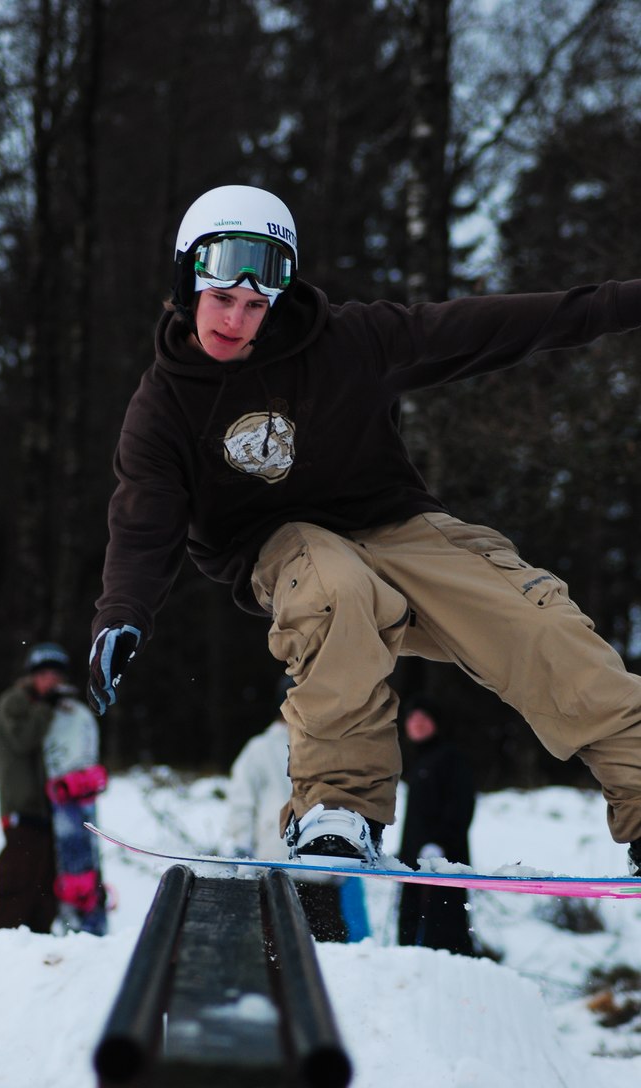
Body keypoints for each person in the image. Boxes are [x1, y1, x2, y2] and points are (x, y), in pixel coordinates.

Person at [87, 183, 641, 877]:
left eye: (256, 305)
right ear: (186, 284)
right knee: (336, 586)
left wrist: (622, 304)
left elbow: (488, 325)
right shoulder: (163, 406)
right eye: (222, 299)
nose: (236, 319)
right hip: (281, 546)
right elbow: (145, 521)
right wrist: (123, 612)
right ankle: (337, 808)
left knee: (531, 617)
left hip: (398, 525)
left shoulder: (349, 340)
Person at [227, 678, 370, 942]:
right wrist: (241, 846)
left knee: (329, 957)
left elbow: (345, 805)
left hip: (321, 873)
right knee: (277, 953)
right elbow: (242, 804)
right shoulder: (259, 750)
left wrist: (348, 852)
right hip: (274, 871)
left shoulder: (329, 750)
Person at [0, 642, 108, 935]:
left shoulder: (63, 711)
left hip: (53, 811)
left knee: (45, 887)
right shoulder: (15, 702)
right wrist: (46, 708)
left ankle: (37, 943)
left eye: (57, 675)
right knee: (17, 879)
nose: (51, 681)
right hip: (22, 807)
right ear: (32, 676)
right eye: (44, 674)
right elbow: (23, 740)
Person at [397, 693, 476, 956]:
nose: (417, 723)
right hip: (413, 863)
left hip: (443, 862)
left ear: (435, 723)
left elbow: (462, 806)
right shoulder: (417, 761)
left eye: (423, 718)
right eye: (411, 718)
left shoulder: (450, 757)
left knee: (443, 929)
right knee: (411, 928)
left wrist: (439, 843)